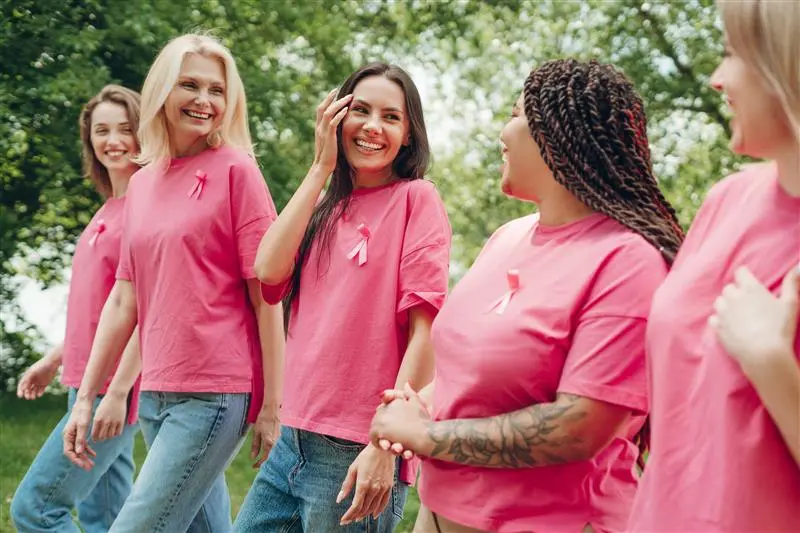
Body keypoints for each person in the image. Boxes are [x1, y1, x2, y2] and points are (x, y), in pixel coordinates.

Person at [369, 59, 685, 533]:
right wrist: (411, 408)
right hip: (439, 514)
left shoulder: (628, 261)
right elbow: (464, 373)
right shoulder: (508, 237)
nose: (502, 132)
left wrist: (426, 435)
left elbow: (578, 427)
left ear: (554, 134)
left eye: (515, 115)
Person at [62, 33, 284, 533]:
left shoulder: (238, 171)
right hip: (156, 392)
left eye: (216, 90)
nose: (204, 100)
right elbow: (125, 298)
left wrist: (273, 405)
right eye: (190, 85)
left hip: (215, 392)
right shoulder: (142, 182)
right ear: (163, 90)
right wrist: (87, 396)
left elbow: (267, 298)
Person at [234, 62, 451, 532]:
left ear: (408, 135)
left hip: (357, 447)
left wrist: (385, 444)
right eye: (361, 110)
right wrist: (320, 168)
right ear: (336, 119)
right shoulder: (320, 206)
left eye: (391, 117)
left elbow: (426, 335)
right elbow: (267, 271)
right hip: (293, 438)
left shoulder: (417, 199)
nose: (373, 126)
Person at [627, 1, 800, 530]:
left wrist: (772, 364)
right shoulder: (727, 199)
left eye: (732, 53)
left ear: (785, 60)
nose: (716, 79)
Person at [11, 84, 142, 533]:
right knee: (105, 517)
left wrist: (119, 393)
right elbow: (99, 308)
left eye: (125, 129)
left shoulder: (145, 208)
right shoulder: (109, 207)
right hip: (84, 382)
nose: (113, 140)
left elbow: (143, 309)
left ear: (144, 133)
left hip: (110, 387)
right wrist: (54, 359)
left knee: (35, 509)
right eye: (101, 131)